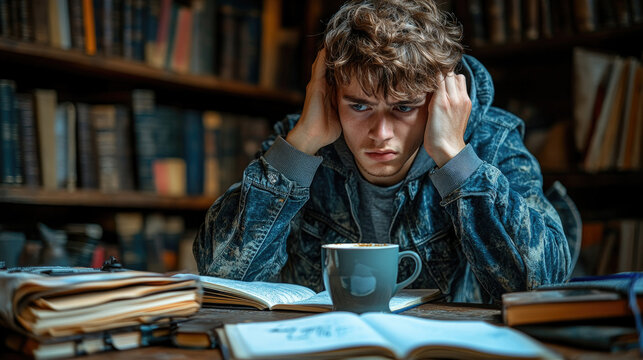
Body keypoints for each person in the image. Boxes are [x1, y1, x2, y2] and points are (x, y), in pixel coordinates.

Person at [194, 0, 571, 303]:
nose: (380, 134)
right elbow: (221, 278)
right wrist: (300, 145)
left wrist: (458, 161)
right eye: (359, 106)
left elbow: (539, 287)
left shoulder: (492, 141)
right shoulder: (299, 145)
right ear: (329, 95)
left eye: (404, 108)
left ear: (441, 99)